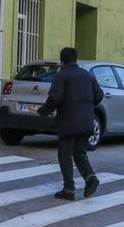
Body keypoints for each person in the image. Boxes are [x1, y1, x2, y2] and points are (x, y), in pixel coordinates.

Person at [38, 47, 103, 201]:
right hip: (86, 122)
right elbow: (99, 96)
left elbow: (54, 98)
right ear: (76, 58)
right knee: (80, 153)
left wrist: (43, 111)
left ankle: (69, 189)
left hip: (68, 122)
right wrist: (86, 107)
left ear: (62, 61)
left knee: (65, 155)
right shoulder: (88, 75)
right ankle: (90, 178)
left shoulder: (62, 76)